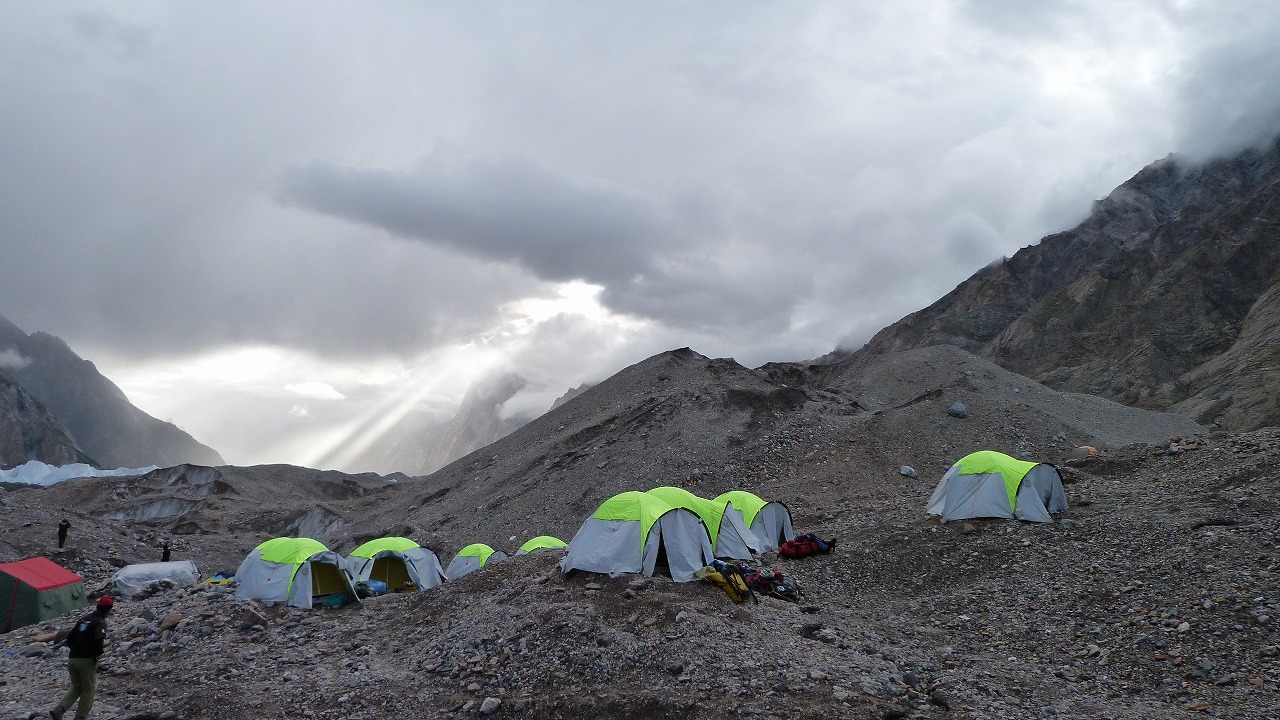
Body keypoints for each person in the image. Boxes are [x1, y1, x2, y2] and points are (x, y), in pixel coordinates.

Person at [50, 596, 113, 720]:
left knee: (77, 687)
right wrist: (98, 653)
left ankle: (59, 709)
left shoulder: (84, 619)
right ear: (108, 609)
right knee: (89, 689)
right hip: (86, 660)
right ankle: (80, 717)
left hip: (72, 659)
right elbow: (98, 640)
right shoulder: (100, 622)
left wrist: (75, 649)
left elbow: (69, 638)